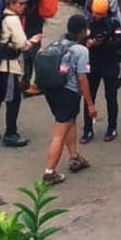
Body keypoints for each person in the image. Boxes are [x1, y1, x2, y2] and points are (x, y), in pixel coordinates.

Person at [41, 14, 96, 185]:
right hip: (69, 93)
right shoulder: (81, 51)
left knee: (70, 122)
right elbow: (82, 79)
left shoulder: (58, 43)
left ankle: (74, 157)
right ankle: (49, 172)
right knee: (59, 133)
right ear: (82, 31)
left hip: (52, 91)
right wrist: (90, 104)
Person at [0, 0, 38, 147]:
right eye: (20, 3)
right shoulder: (12, 19)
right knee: (13, 100)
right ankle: (10, 134)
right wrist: (33, 41)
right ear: (12, 4)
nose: (23, 6)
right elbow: (21, 44)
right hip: (7, 66)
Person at [81, 0, 121, 144]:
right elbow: (79, 39)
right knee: (88, 97)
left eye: (101, 14)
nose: (98, 16)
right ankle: (87, 129)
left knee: (111, 96)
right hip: (92, 63)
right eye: (96, 14)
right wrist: (87, 43)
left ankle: (112, 127)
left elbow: (119, 44)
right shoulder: (87, 22)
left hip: (110, 62)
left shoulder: (114, 23)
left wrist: (105, 41)